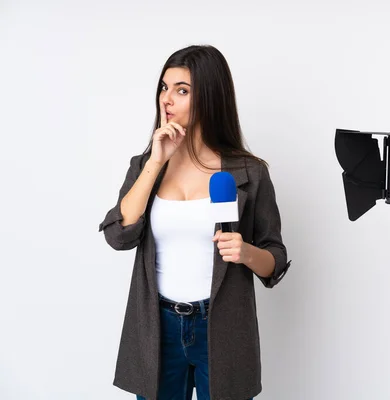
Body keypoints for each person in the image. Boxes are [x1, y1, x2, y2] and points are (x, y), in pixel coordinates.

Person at [98, 45, 291, 400]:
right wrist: (157, 160)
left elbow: (274, 260)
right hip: (158, 326)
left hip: (222, 327)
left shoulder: (248, 173)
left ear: (210, 98)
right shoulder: (145, 167)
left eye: (181, 90)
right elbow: (119, 235)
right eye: (164, 87)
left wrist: (246, 252)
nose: (167, 99)